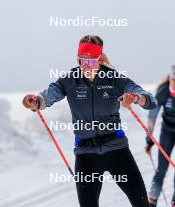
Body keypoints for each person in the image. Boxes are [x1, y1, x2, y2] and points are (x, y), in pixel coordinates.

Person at [23, 35, 157, 207]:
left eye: (90, 61)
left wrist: (136, 98)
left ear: (99, 59)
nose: (84, 66)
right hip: (86, 154)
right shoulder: (70, 79)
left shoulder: (115, 79)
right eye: (80, 60)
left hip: (117, 150)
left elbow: (150, 100)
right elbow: (48, 95)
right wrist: (36, 100)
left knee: (141, 204)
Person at [145, 65, 175, 207]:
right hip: (167, 130)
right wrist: (149, 139)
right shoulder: (163, 92)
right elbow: (152, 117)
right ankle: (153, 198)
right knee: (162, 167)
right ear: (171, 79)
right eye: (174, 80)